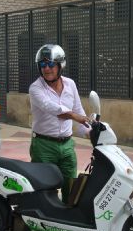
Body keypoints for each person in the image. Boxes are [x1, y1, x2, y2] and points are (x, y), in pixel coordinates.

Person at [29, 44, 90, 205]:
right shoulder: (35, 88)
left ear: (60, 65)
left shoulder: (70, 85)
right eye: (42, 65)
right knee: (44, 187)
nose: (46, 69)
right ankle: (43, 222)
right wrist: (73, 116)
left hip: (67, 145)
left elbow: (79, 110)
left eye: (50, 64)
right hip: (43, 145)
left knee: (71, 185)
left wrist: (90, 132)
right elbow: (50, 107)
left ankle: (69, 221)